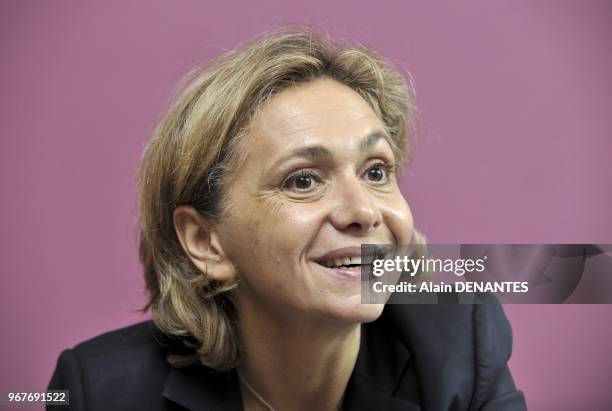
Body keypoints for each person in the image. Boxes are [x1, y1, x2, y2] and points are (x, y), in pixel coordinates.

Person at [47, 28, 527, 411]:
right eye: (302, 180)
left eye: (376, 171)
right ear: (206, 241)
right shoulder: (97, 391)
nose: (363, 212)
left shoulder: (462, 343)